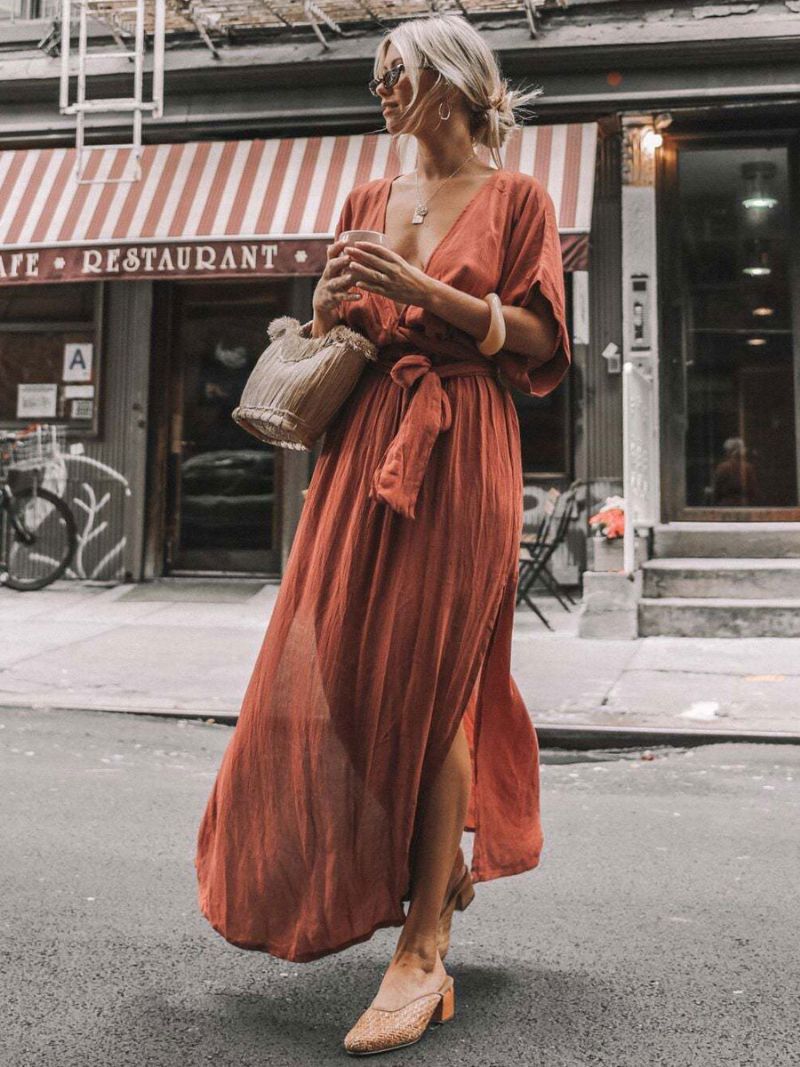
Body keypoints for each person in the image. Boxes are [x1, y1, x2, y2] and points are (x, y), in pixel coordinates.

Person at [195, 12, 571, 1057]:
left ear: (446, 83)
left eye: (391, 74)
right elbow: (344, 338)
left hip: (461, 442)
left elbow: (541, 339)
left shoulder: (516, 198)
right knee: (347, 667)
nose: (379, 92)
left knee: (435, 675)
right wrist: (323, 311)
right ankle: (426, 863)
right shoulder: (365, 197)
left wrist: (428, 291)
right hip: (364, 444)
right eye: (375, 77)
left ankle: (421, 944)